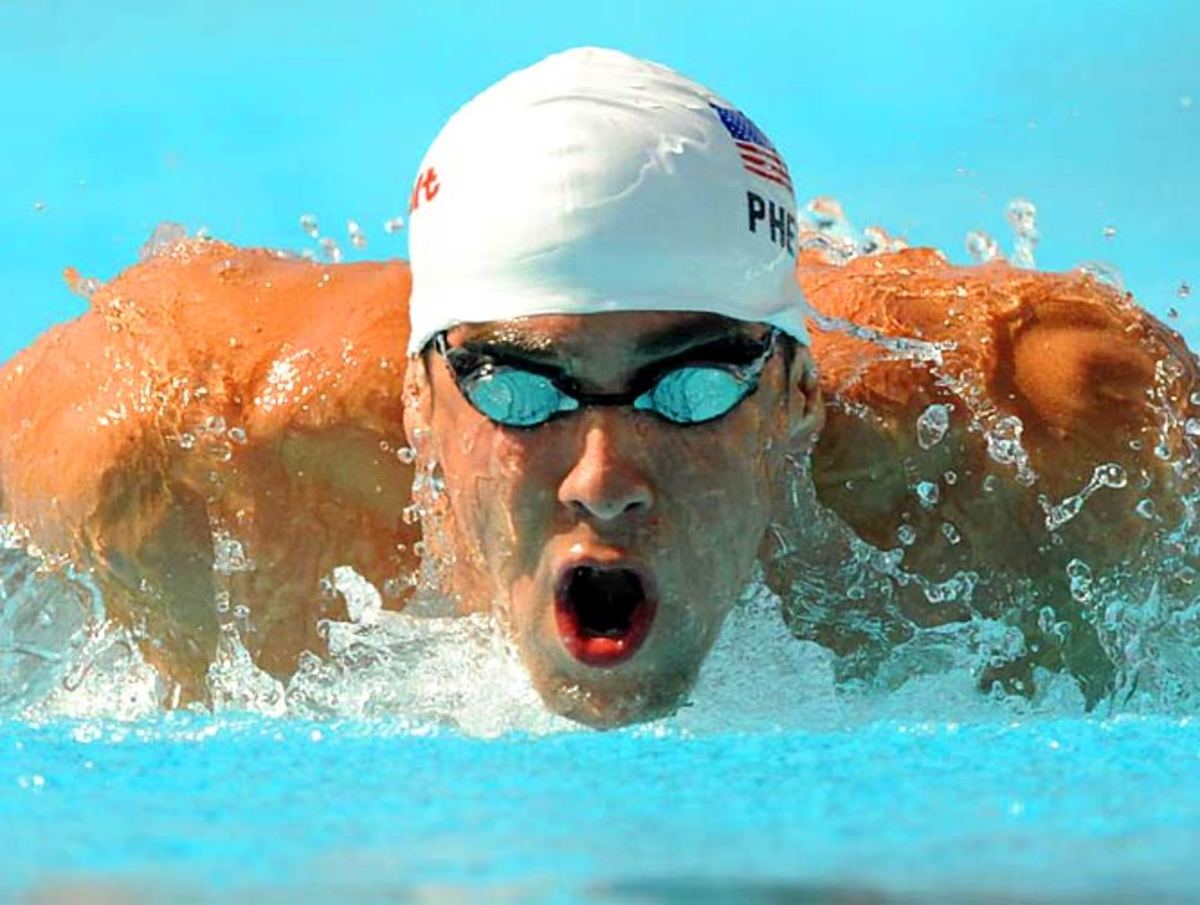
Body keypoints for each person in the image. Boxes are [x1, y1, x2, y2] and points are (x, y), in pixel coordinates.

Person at [0, 47, 1195, 725]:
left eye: (690, 388)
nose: (606, 478)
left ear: (802, 396)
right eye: (523, 389)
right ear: (419, 401)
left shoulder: (1052, 438)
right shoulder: (165, 456)